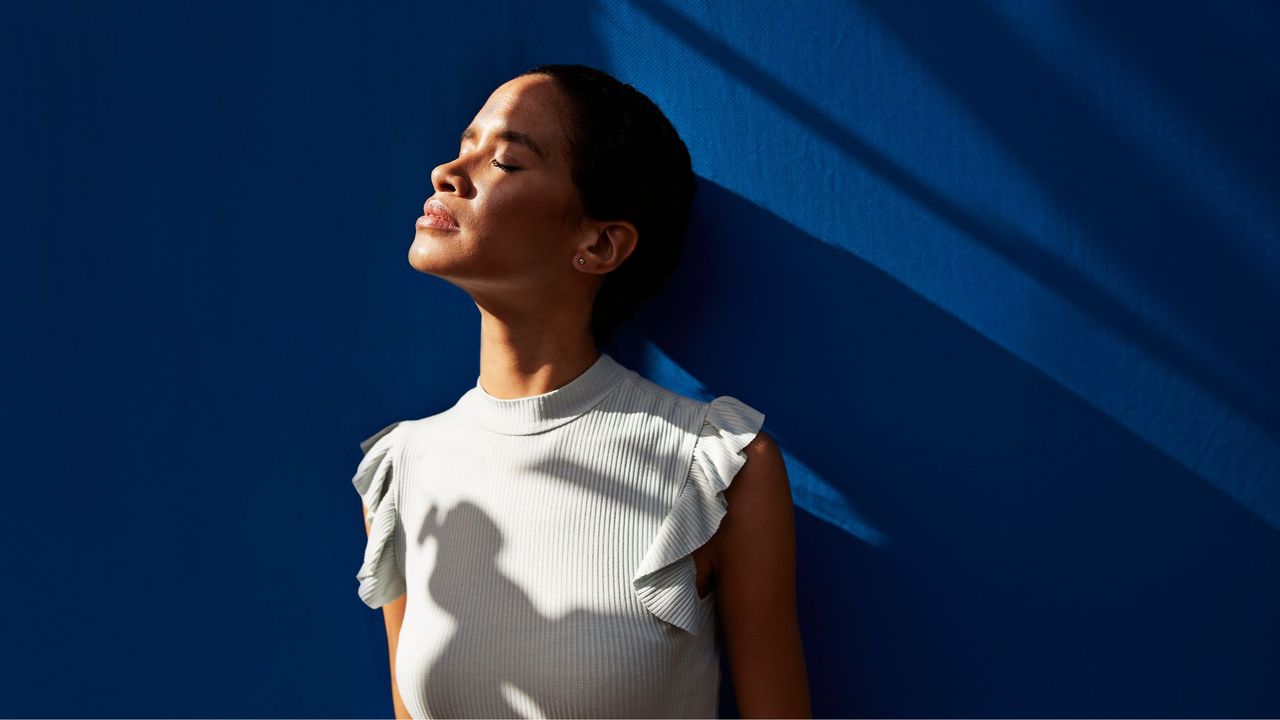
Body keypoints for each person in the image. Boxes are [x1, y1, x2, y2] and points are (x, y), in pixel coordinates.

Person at [353, 63, 810, 719]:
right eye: (465, 145)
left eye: (506, 161)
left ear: (598, 244)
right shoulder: (401, 470)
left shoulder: (716, 469)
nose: (449, 174)